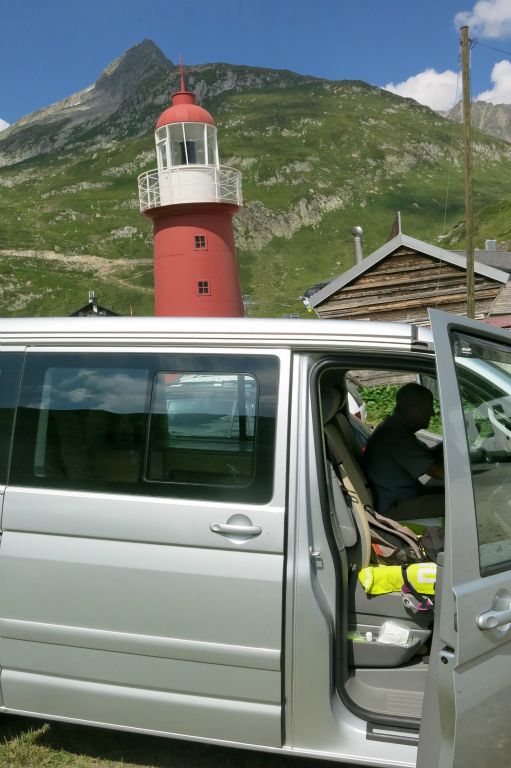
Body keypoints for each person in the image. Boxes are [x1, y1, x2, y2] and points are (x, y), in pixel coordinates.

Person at [363, 382, 444, 522]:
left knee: (449, 493)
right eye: (429, 407)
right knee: (462, 500)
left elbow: (427, 455)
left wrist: (448, 444)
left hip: (402, 497)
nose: (432, 412)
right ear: (413, 410)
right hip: (393, 508)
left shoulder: (395, 427)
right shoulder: (396, 435)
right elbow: (438, 473)